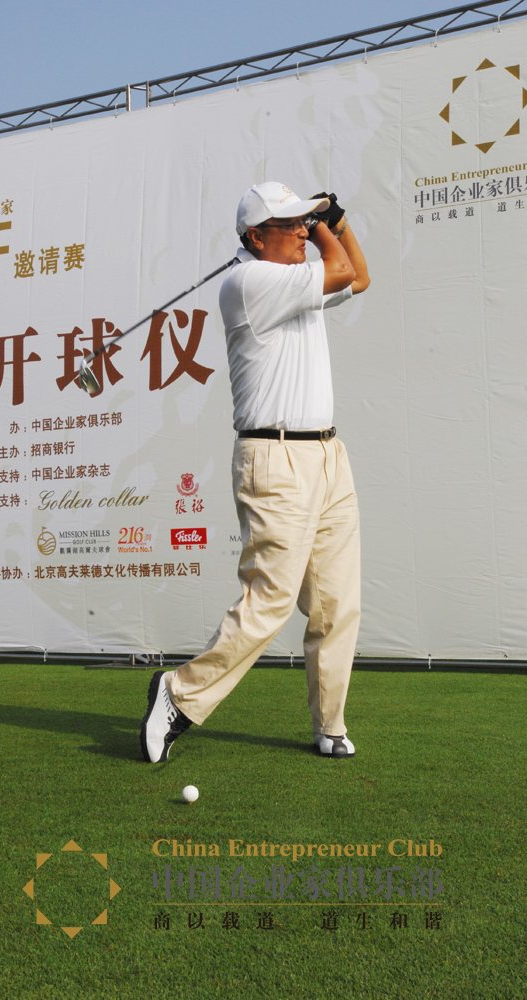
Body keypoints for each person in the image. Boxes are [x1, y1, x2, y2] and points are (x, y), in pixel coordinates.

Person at [141, 181, 370, 762]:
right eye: (289, 224)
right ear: (255, 237)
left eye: (302, 223)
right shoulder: (248, 283)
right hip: (276, 458)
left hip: (327, 456)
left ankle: (330, 723)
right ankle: (177, 692)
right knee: (269, 601)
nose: (301, 233)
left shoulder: (292, 279)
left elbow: (360, 277)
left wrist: (334, 222)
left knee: (336, 602)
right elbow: (342, 270)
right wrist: (324, 223)